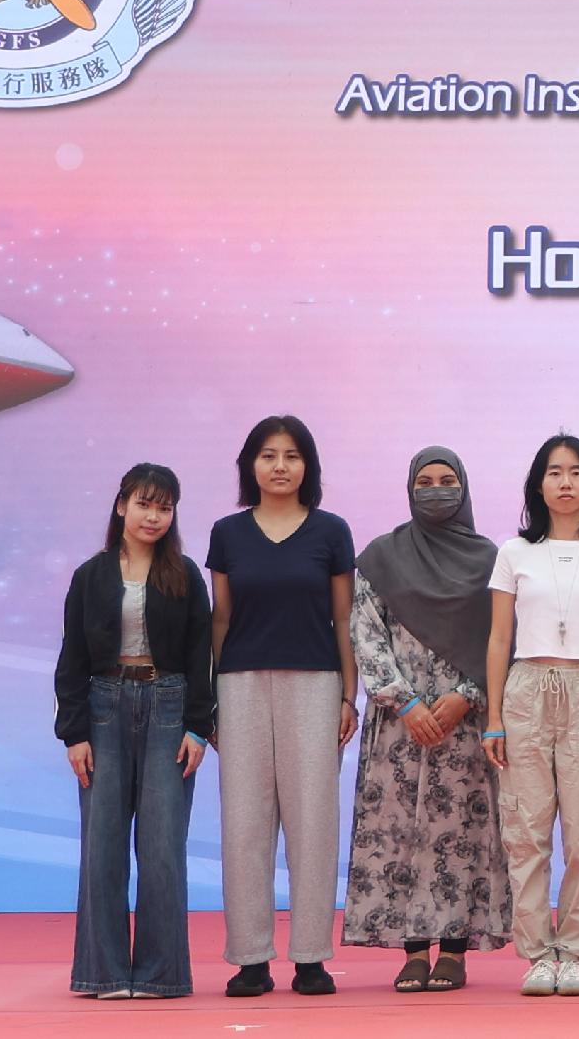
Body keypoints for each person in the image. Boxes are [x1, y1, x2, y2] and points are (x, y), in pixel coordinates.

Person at [345, 448, 509, 993]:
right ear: (409, 489)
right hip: (399, 726)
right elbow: (366, 633)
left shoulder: (491, 559)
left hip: (464, 722)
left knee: (459, 834)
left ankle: (455, 950)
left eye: (447, 481)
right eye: (425, 481)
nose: (436, 490)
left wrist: (467, 694)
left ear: (463, 488)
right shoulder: (379, 556)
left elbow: (503, 638)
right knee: (401, 835)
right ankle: (413, 949)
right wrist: (405, 701)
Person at [207, 416, 360, 998]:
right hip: (240, 685)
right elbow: (221, 619)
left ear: (307, 467)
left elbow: (342, 618)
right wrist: (212, 696)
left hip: (316, 684)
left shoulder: (331, 532)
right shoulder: (227, 533)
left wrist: (349, 694)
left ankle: (311, 957)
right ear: (250, 465)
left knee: (312, 821)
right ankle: (249, 958)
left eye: (291, 456)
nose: (279, 466)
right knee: (244, 823)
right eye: (267, 455)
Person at [484, 435, 579, 998]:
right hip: (525, 689)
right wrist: (495, 717)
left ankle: (573, 952)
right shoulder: (513, 552)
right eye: (554, 472)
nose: (565, 482)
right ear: (538, 484)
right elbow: (500, 638)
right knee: (525, 831)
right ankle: (535, 954)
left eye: (576, 472)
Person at [57, 464, 217, 1000]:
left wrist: (198, 726)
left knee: (163, 847)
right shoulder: (91, 575)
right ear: (121, 505)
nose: (154, 516)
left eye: (165, 507)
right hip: (104, 707)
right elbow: (71, 659)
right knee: (101, 845)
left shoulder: (185, 573)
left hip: (169, 704)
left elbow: (201, 654)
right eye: (144, 504)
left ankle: (160, 974)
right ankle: (100, 973)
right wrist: (73, 732)